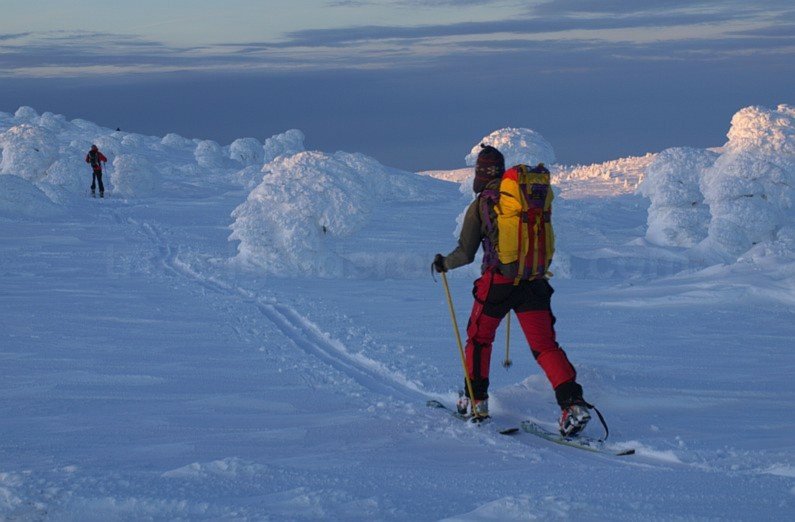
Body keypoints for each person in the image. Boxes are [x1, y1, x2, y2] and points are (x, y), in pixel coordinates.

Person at [432, 144, 591, 436]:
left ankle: (476, 401)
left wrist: (443, 263)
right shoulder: (524, 199)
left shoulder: (481, 204)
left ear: (479, 174)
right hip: (534, 281)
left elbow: (466, 253)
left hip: (499, 283)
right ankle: (574, 404)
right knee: (545, 347)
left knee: (479, 339)